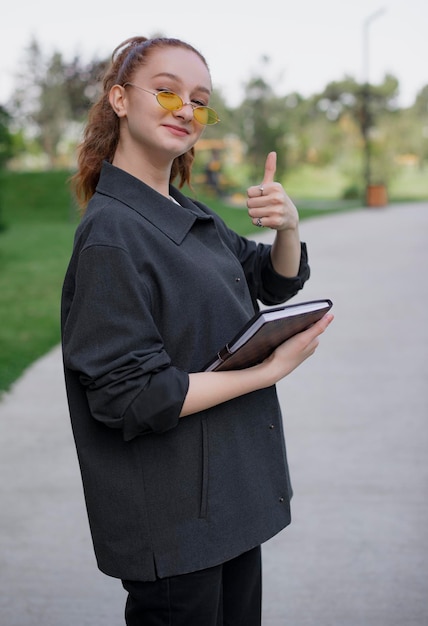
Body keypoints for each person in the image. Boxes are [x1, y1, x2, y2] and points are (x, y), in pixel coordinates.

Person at [61, 35, 334, 626]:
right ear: (120, 100)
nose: (186, 108)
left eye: (199, 100)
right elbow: (129, 394)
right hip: (176, 521)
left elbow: (271, 279)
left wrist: (287, 225)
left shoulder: (185, 211)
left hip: (228, 506)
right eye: (165, 91)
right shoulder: (113, 234)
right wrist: (266, 371)